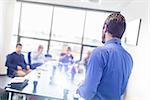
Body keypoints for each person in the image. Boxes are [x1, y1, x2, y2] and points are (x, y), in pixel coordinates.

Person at [77, 13, 133, 100]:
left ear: (105, 28)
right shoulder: (128, 58)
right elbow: (121, 90)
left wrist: (80, 88)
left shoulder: (99, 53)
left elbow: (88, 92)